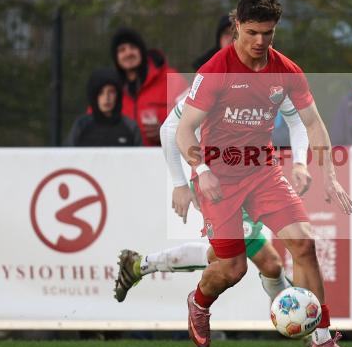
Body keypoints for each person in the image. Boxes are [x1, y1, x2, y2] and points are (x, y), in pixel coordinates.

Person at [176, 0, 352, 347]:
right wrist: (201, 170)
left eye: (268, 33)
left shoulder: (286, 71)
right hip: (219, 178)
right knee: (232, 268)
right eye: (252, 33)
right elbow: (184, 131)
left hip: (263, 172)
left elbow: (313, 123)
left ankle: (322, 339)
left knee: (304, 245)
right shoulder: (215, 71)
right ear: (237, 26)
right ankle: (199, 301)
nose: (260, 41)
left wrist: (330, 175)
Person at [113, 92, 313, 305]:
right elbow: (169, 128)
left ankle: (138, 266)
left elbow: (296, 120)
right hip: (217, 185)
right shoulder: (210, 87)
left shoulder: (260, 85)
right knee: (231, 261)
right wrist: (180, 184)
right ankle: (141, 266)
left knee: (270, 265)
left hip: (248, 179)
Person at [111, 28, 188, 147]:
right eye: (122, 50)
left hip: (163, 156)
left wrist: (165, 133)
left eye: (133, 47)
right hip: (119, 157)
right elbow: (94, 122)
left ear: (142, 51)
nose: (128, 53)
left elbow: (193, 122)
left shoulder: (172, 80)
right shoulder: (109, 87)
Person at [65, 68, 142, 147]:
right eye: (100, 92)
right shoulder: (81, 125)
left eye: (111, 92)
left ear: (118, 95)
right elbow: (67, 153)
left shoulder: (130, 127)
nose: (106, 97)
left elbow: (139, 154)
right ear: (94, 96)